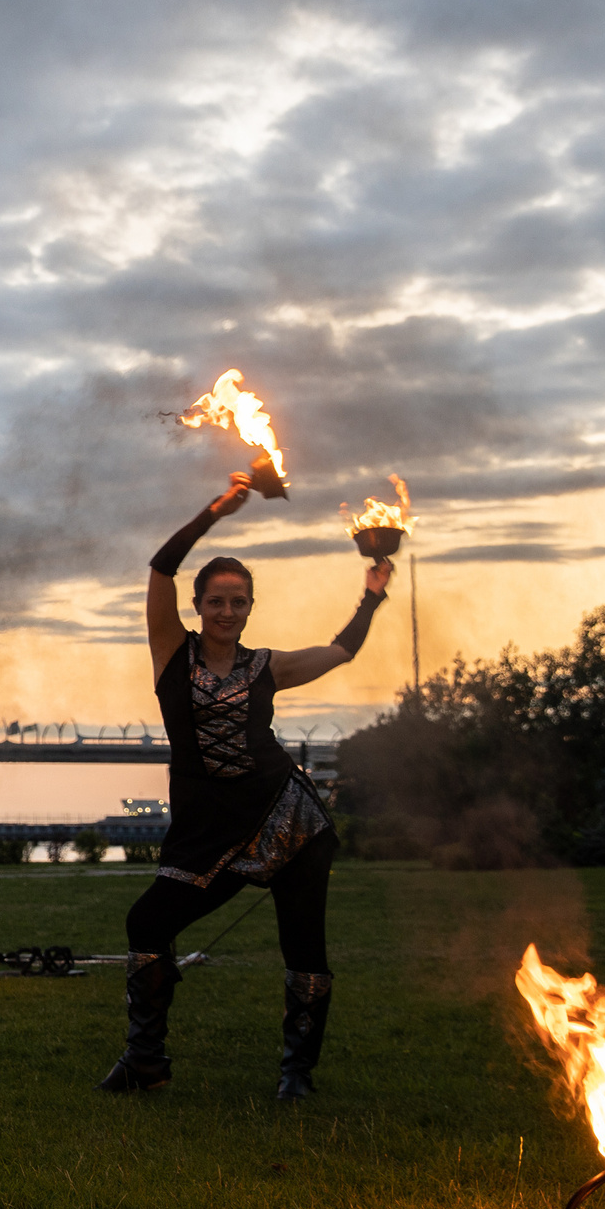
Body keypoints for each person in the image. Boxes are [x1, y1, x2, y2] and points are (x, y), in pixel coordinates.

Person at [99, 471, 393, 1100]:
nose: (227, 611)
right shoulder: (170, 652)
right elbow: (161, 566)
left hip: (289, 820)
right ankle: (145, 1061)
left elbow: (341, 651)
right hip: (207, 827)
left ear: (249, 609)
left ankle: (296, 1075)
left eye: (238, 602)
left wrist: (372, 595)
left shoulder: (268, 667)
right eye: (216, 600)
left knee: (303, 944)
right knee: (147, 921)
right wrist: (217, 510)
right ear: (199, 605)